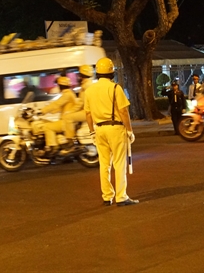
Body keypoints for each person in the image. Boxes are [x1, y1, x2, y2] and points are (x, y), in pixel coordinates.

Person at [84, 57, 138, 207]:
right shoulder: (115, 88)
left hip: (99, 129)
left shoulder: (89, 91)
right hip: (115, 128)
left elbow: (88, 114)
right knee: (119, 163)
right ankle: (122, 197)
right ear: (111, 73)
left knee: (104, 164)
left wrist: (91, 132)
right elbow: (123, 111)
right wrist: (129, 130)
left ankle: (107, 196)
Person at [40, 77, 78, 154]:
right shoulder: (69, 93)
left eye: (58, 85)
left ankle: (53, 147)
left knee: (47, 127)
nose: (57, 87)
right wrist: (50, 112)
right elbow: (59, 107)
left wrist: (43, 111)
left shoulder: (67, 95)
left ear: (60, 86)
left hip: (67, 122)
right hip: (68, 120)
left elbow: (57, 104)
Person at [63, 65, 94, 145]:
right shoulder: (91, 84)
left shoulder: (85, 86)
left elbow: (80, 103)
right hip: (92, 111)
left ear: (81, 76)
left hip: (88, 112)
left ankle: (71, 141)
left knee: (68, 117)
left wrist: (70, 111)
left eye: (79, 75)